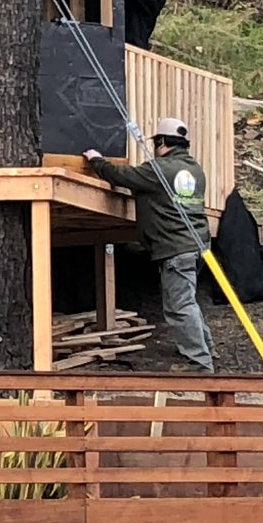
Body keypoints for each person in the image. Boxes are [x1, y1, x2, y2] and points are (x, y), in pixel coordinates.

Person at [82, 118, 213, 371]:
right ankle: (207, 352)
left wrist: (96, 160)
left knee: (179, 307)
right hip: (195, 245)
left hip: (175, 248)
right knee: (188, 302)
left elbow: (121, 175)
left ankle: (200, 363)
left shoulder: (159, 170)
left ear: (162, 143)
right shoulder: (195, 170)